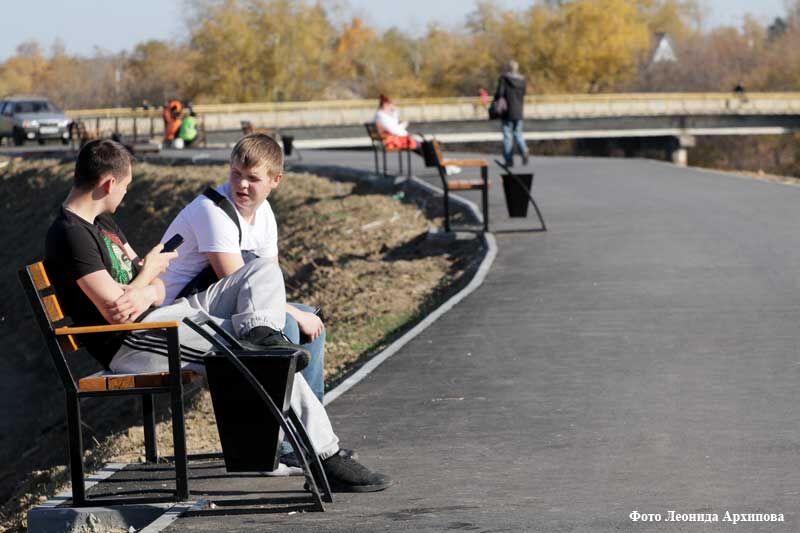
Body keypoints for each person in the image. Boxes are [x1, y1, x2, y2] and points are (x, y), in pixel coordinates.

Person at [44, 139, 392, 493]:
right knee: (267, 358)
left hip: (161, 318)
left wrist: (149, 285)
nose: (126, 196)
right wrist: (149, 272)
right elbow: (118, 311)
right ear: (108, 184)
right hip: (134, 344)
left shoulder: (103, 225)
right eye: (127, 187)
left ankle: (262, 338)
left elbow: (147, 290)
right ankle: (325, 454)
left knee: (262, 273)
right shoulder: (71, 235)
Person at [158, 134, 327, 407]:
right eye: (235, 174)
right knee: (286, 326)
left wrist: (301, 315)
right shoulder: (212, 211)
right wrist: (294, 315)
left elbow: (268, 281)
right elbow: (234, 279)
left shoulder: (265, 213)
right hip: (176, 316)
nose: (242, 185)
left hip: (212, 303)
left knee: (308, 321)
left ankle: (310, 433)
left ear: (276, 180)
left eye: (253, 178)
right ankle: (282, 443)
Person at [494, 60, 530, 167]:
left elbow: (499, 94)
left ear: (508, 68)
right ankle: (524, 150)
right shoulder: (522, 80)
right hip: (519, 111)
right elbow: (524, 94)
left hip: (507, 111)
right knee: (518, 133)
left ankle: (509, 160)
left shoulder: (504, 79)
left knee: (507, 135)